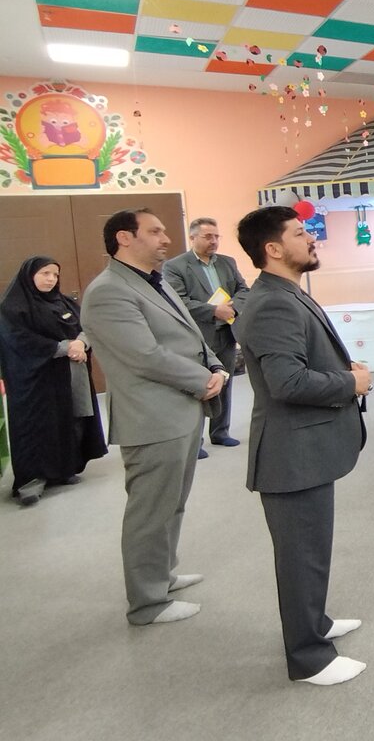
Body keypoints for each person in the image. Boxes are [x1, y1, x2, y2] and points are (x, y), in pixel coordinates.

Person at [235, 205, 371, 686]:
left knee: (311, 550)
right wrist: (350, 383)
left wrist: (343, 372)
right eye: (299, 233)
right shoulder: (272, 303)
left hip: (307, 449)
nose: (311, 237)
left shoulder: (285, 292)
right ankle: (309, 658)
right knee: (300, 557)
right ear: (273, 249)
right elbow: (287, 382)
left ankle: (315, 623)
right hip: (290, 456)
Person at [80, 209, 227, 624]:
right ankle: (147, 602)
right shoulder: (108, 291)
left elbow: (190, 333)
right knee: (150, 512)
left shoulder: (154, 279)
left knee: (172, 503)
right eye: (155, 231)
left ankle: (162, 575)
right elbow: (144, 356)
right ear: (124, 238)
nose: (166, 238)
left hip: (181, 410)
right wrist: (203, 379)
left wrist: (215, 365)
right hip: (151, 416)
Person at [0, 257, 107, 506]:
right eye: (45, 273)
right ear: (29, 275)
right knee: (35, 426)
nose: (51, 279)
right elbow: (18, 340)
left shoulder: (64, 301)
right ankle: (31, 480)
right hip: (34, 381)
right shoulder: (12, 308)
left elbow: (86, 325)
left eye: (55, 274)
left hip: (68, 375)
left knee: (70, 419)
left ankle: (64, 469)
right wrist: (64, 347)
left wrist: (81, 342)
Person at [163, 216, 250, 454]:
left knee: (225, 382)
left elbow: (244, 290)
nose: (214, 241)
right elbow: (178, 301)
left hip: (226, 333)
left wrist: (233, 307)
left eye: (216, 236)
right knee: (199, 386)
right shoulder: (175, 266)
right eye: (208, 236)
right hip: (197, 336)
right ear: (192, 237)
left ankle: (220, 432)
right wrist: (213, 311)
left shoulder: (227, 262)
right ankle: (195, 441)